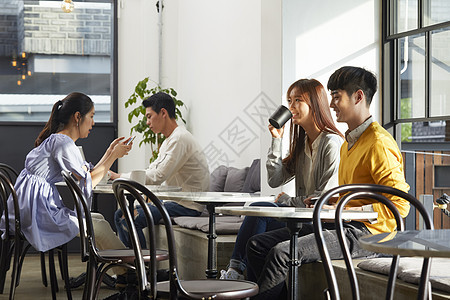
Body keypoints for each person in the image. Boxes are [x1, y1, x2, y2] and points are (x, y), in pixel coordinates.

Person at [245, 66, 411, 299]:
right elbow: (351, 194)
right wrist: (329, 201)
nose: (331, 104)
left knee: (282, 253)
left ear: (359, 97)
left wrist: (348, 209)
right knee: (257, 245)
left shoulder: (378, 143)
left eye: (336, 96)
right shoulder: (348, 144)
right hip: (343, 224)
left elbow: (400, 205)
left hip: (369, 234)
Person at [219, 79, 344, 280]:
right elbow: (275, 179)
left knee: (260, 214)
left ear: (314, 104)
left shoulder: (331, 143)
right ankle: (240, 276)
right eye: (289, 101)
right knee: (258, 220)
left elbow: (323, 198)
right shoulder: (303, 144)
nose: (291, 107)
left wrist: (287, 201)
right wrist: (276, 140)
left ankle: (238, 276)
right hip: (300, 218)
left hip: (320, 224)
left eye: (297, 101)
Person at [0, 92, 131, 258]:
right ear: (78, 117)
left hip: (28, 210)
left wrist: (110, 152)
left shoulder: (57, 140)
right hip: (37, 215)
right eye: (91, 116)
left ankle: (123, 272)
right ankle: (131, 270)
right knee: (100, 227)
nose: (93, 122)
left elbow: (87, 176)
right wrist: (113, 156)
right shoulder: (63, 143)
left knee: (98, 219)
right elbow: (88, 181)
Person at [110, 91, 210, 248]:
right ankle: (136, 268)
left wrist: (119, 176)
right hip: (177, 202)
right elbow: (153, 169)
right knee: (123, 213)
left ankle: (142, 269)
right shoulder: (170, 140)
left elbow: (157, 176)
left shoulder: (179, 139)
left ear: (163, 112)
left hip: (187, 205)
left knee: (124, 217)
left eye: (149, 116)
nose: (147, 122)